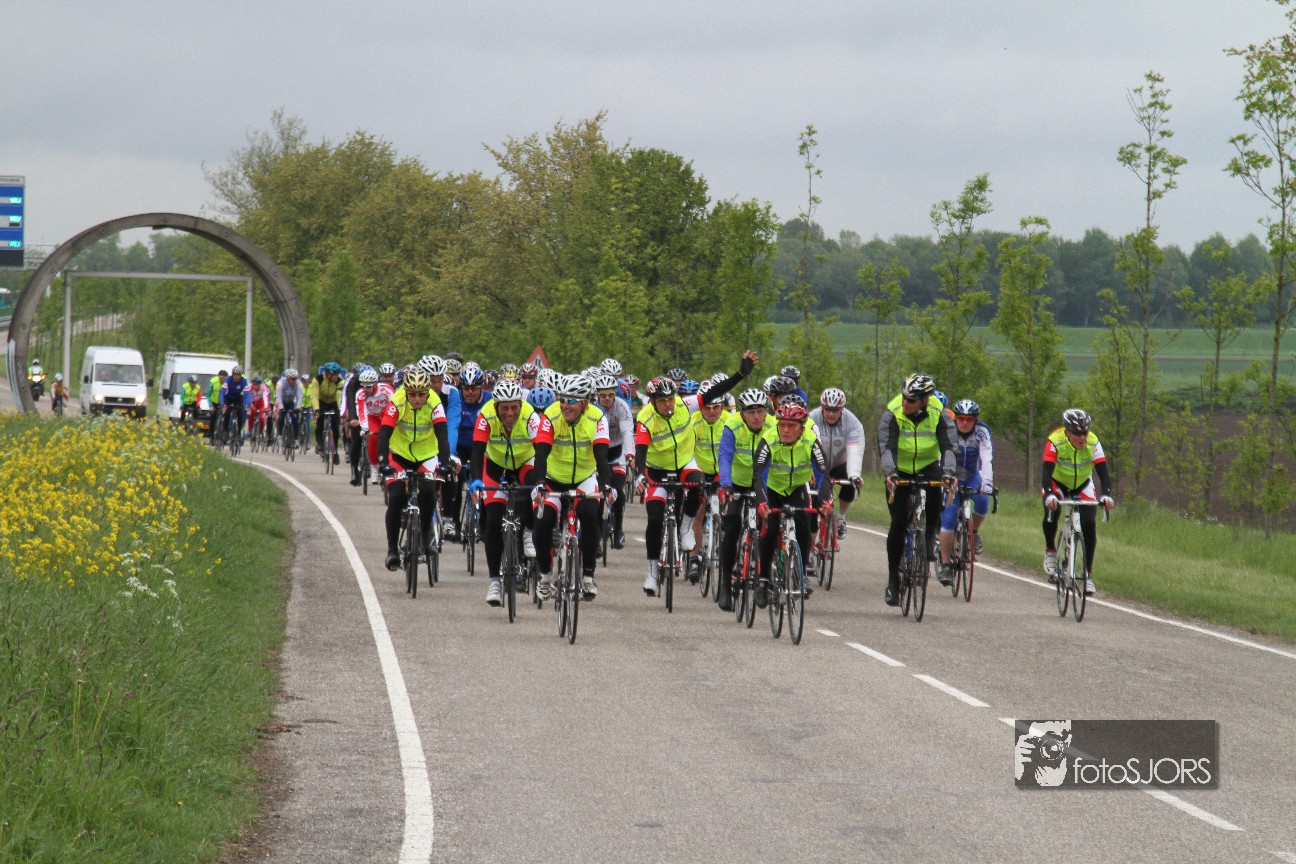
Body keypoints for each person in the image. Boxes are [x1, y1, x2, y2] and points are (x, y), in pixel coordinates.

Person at [635, 351, 757, 597]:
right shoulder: (645, 419)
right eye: (663, 401)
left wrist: (740, 374)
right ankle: (652, 572)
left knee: (699, 484)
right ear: (653, 401)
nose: (669, 404)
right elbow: (641, 449)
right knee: (655, 518)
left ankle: (685, 528)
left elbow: (714, 392)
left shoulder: (684, 405)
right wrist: (639, 475)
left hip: (684, 462)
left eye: (671, 399)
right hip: (656, 469)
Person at [531, 374, 614, 600]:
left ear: (585, 403)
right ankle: (545, 576)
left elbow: (602, 456)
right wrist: (539, 484)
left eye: (572, 400)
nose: (565, 405)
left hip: (583, 478)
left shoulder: (597, 418)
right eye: (563, 399)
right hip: (552, 477)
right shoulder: (551, 415)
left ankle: (588, 576)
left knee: (589, 514)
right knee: (543, 521)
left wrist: (607, 486)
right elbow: (541, 453)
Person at [877, 373, 957, 607]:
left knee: (936, 490)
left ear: (924, 400)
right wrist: (890, 473)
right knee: (898, 523)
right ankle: (893, 580)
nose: (905, 402)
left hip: (928, 464)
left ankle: (930, 534)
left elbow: (949, 446)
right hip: (899, 468)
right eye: (903, 397)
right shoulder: (893, 413)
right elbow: (886, 447)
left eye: (911, 400)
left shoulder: (939, 413)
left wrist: (949, 472)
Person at [471, 378, 542, 606]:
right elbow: (477, 450)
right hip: (496, 467)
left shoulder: (530, 416)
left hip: (525, 463)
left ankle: (529, 531)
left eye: (514, 407)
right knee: (493, 521)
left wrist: (542, 481)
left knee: (531, 490)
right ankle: (494, 581)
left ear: (520, 405)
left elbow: (541, 450)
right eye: (504, 408)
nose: (510, 413)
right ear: (496, 406)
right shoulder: (486, 415)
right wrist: (475, 480)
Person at [751, 401, 831, 606]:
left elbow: (823, 475)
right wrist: (762, 502)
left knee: (804, 523)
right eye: (782, 425)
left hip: (796, 487)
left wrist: (824, 501)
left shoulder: (811, 441)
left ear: (801, 429)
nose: (785, 430)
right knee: (770, 528)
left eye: (791, 426)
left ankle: (800, 574)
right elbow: (758, 475)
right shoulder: (769, 439)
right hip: (772, 488)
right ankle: (763, 579)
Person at [377, 369, 452, 571]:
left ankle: (426, 531)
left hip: (427, 454)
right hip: (400, 454)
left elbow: (442, 436)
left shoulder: (434, 402)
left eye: (421, 394)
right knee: (396, 497)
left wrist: (444, 464)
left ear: (428, 392)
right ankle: (392, 550)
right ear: (406, 392)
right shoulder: (397, 401)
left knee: (428, 491)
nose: (417, 398)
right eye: (413, 394)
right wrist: (383, 462)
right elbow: (384, 435)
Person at [716, 387, 776, 611]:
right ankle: (725, 583)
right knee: (732, 528)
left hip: (764, 482)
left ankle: (765, 578)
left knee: (769, 528)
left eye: (761, 411)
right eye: (751, 412)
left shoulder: (773, 426)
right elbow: (725, 456)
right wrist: (725, 485)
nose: (757, 417)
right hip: (737, 481)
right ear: (742, 413)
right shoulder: (732, 425)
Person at [1041, 408, 1114, 596]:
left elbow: (1103, 472)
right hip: (1057, 483)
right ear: (1067, 432)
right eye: (1077, 434)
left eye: (1085, 433)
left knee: (1089, 523)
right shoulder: (1055, 441)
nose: (1082, 437)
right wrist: (1049, 494)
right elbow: (1046, 471)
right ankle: (1050, 549)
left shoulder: (1093, 442)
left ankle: (1087, 575)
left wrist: (1106, 494)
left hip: (1082, 484)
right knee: (1052, 511)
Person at [937, 399, 995, 586]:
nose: (964, 423)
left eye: (969, 420)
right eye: (961, 418)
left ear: (975, 420)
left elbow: (986, 458)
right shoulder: (948, 429)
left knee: (983, 501)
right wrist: (943, 478)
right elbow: (940, 455)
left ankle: (974, 531)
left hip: (972, 476)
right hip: (951, 476)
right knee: (948, 519)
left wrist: (987, 483)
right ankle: (946, 565)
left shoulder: (982, 432)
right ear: (955, 418)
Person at [808, 387, 864, 537]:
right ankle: (811, 545)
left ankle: (841, 518)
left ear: (842, 409)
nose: (831, 414)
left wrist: (854, 475)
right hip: (817, 466)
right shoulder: (811, 419)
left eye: (836, 410)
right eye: (827, 409)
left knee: (851, 482)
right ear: (822, 407)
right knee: (813, 503)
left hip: (840, 464)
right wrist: (809, 469)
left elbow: (855, 450)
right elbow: (804, 447)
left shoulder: (852, 422)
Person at [594, 373, 635, 550]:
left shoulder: (622, 407)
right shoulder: (592, 407)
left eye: (611, 394)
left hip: (617, 451)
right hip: (597, 452)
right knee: (596, 495)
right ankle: (595, 536)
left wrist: (630, 455)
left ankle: (618, 530)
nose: (607, 398)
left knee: (618, 491)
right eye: (603, 395)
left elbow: (627, 433)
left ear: (615, 393)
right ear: (597, 394)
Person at [353, 368, 394, 485]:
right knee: (373, 437)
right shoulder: (360, 394)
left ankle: (391, 462)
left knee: (390, 437)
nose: (365, 389)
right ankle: (374, 467)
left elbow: (395, 406)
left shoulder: (386, 390)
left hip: (386, 415)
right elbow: (362, 412)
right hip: (372, 417)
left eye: (368, 386)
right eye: (363, 386)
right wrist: (365, 428)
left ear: (375, 384)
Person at [316, 362, 345, 463]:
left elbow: (339, 396)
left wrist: (340, 410)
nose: (337, 376)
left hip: (333, 402)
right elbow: (314, 396)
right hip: (321, 401)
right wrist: (316, 410)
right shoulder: (318, 379)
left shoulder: (340, 381)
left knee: (335, 428)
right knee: (320, 421)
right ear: (328, 374)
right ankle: (320, 443)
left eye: (338, 374)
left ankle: (335, 452)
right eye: (335, 374)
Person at [219, 366, 250, 442]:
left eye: (239, 375)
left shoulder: (244, 381)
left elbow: (248, 394)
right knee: (227, 413)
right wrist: (223, 404)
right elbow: (222, 393)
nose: (237, 377)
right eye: (235, 375)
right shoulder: (228, 380)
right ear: (232, 374)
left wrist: (247, 404)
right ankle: (226, 431)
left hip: (238, 398)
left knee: (240, 413)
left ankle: (239, 433)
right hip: (228, 398)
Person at [275, 368, 304, 444]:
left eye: (295, 379)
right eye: (293, 379)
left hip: (291, 401)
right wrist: (280, 407)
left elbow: (299, 396)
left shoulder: (299, 384)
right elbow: (278, 396)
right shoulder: (280, 383)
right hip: (282, 401)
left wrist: (298, 407)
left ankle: (296, 439)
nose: (294, 380)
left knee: (295, 419)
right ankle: (280, 435)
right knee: (281, 417)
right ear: (288, 378)